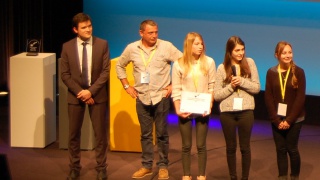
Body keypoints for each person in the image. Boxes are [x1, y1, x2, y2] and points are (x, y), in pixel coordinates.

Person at [116, 19, 182, 179]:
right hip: (142, 97)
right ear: (141, 33)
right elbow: (120, 65)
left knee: (161, 134)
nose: (154, 36)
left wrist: (173, 86)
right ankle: (146, 166)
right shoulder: (132, 48)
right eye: (150, 33)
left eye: (156, 32)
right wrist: (126, 86)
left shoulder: (166, 46)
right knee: (145, 134)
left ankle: (163, 166)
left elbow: (183, 63)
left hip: (161, 96)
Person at [60, 13, 110, 180]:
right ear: (75, 30)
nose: (88, 29)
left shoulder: (102, 44)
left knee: (100, 134)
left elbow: (105, 72)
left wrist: (91, 91)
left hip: (97, 95)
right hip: (76, 96)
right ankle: (74, 167)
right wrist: (81, 93)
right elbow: (65, 75)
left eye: (89, 26)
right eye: (84, 27)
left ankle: (101, 168)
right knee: (73, 134)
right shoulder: (67, 47)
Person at [213, 36, 260, 180]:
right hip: (227, 113)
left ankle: (244, 177)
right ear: (230, 51)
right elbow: (216, 95)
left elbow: (257, 88)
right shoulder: (222, 68)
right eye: (237, 50)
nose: (241, 53)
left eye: (243, 49)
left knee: (245, 147)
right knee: (230, 147)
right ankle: (233, 176)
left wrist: (242, 82)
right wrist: (231, 86)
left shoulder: (250, 63)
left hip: (246, 112)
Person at [171, 32, 216, 180]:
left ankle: (202, 175)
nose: (200, 46)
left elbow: (211, 86)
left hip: (202, 109)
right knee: (186, 145)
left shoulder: (209, 62)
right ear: (188, 45)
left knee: (201, 145)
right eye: (196, 44)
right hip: (186, 108)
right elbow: (176, 89)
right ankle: (186, 175)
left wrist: (209, 105)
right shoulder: (179, 64)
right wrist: (177, 109)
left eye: (201, 43)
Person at [264, 41, 305, 180]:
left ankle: (294, 177)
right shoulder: (271, 72)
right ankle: (282, 177)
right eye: (284, 53)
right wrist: (276, 120)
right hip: (277, 119)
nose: (288, 55)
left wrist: (289, 120)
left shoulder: (299, 72)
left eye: (290, 52)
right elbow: (268, 97)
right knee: (280, 150)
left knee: (292, 149)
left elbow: (300, 98)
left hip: (295, 119)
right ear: (277, 55)